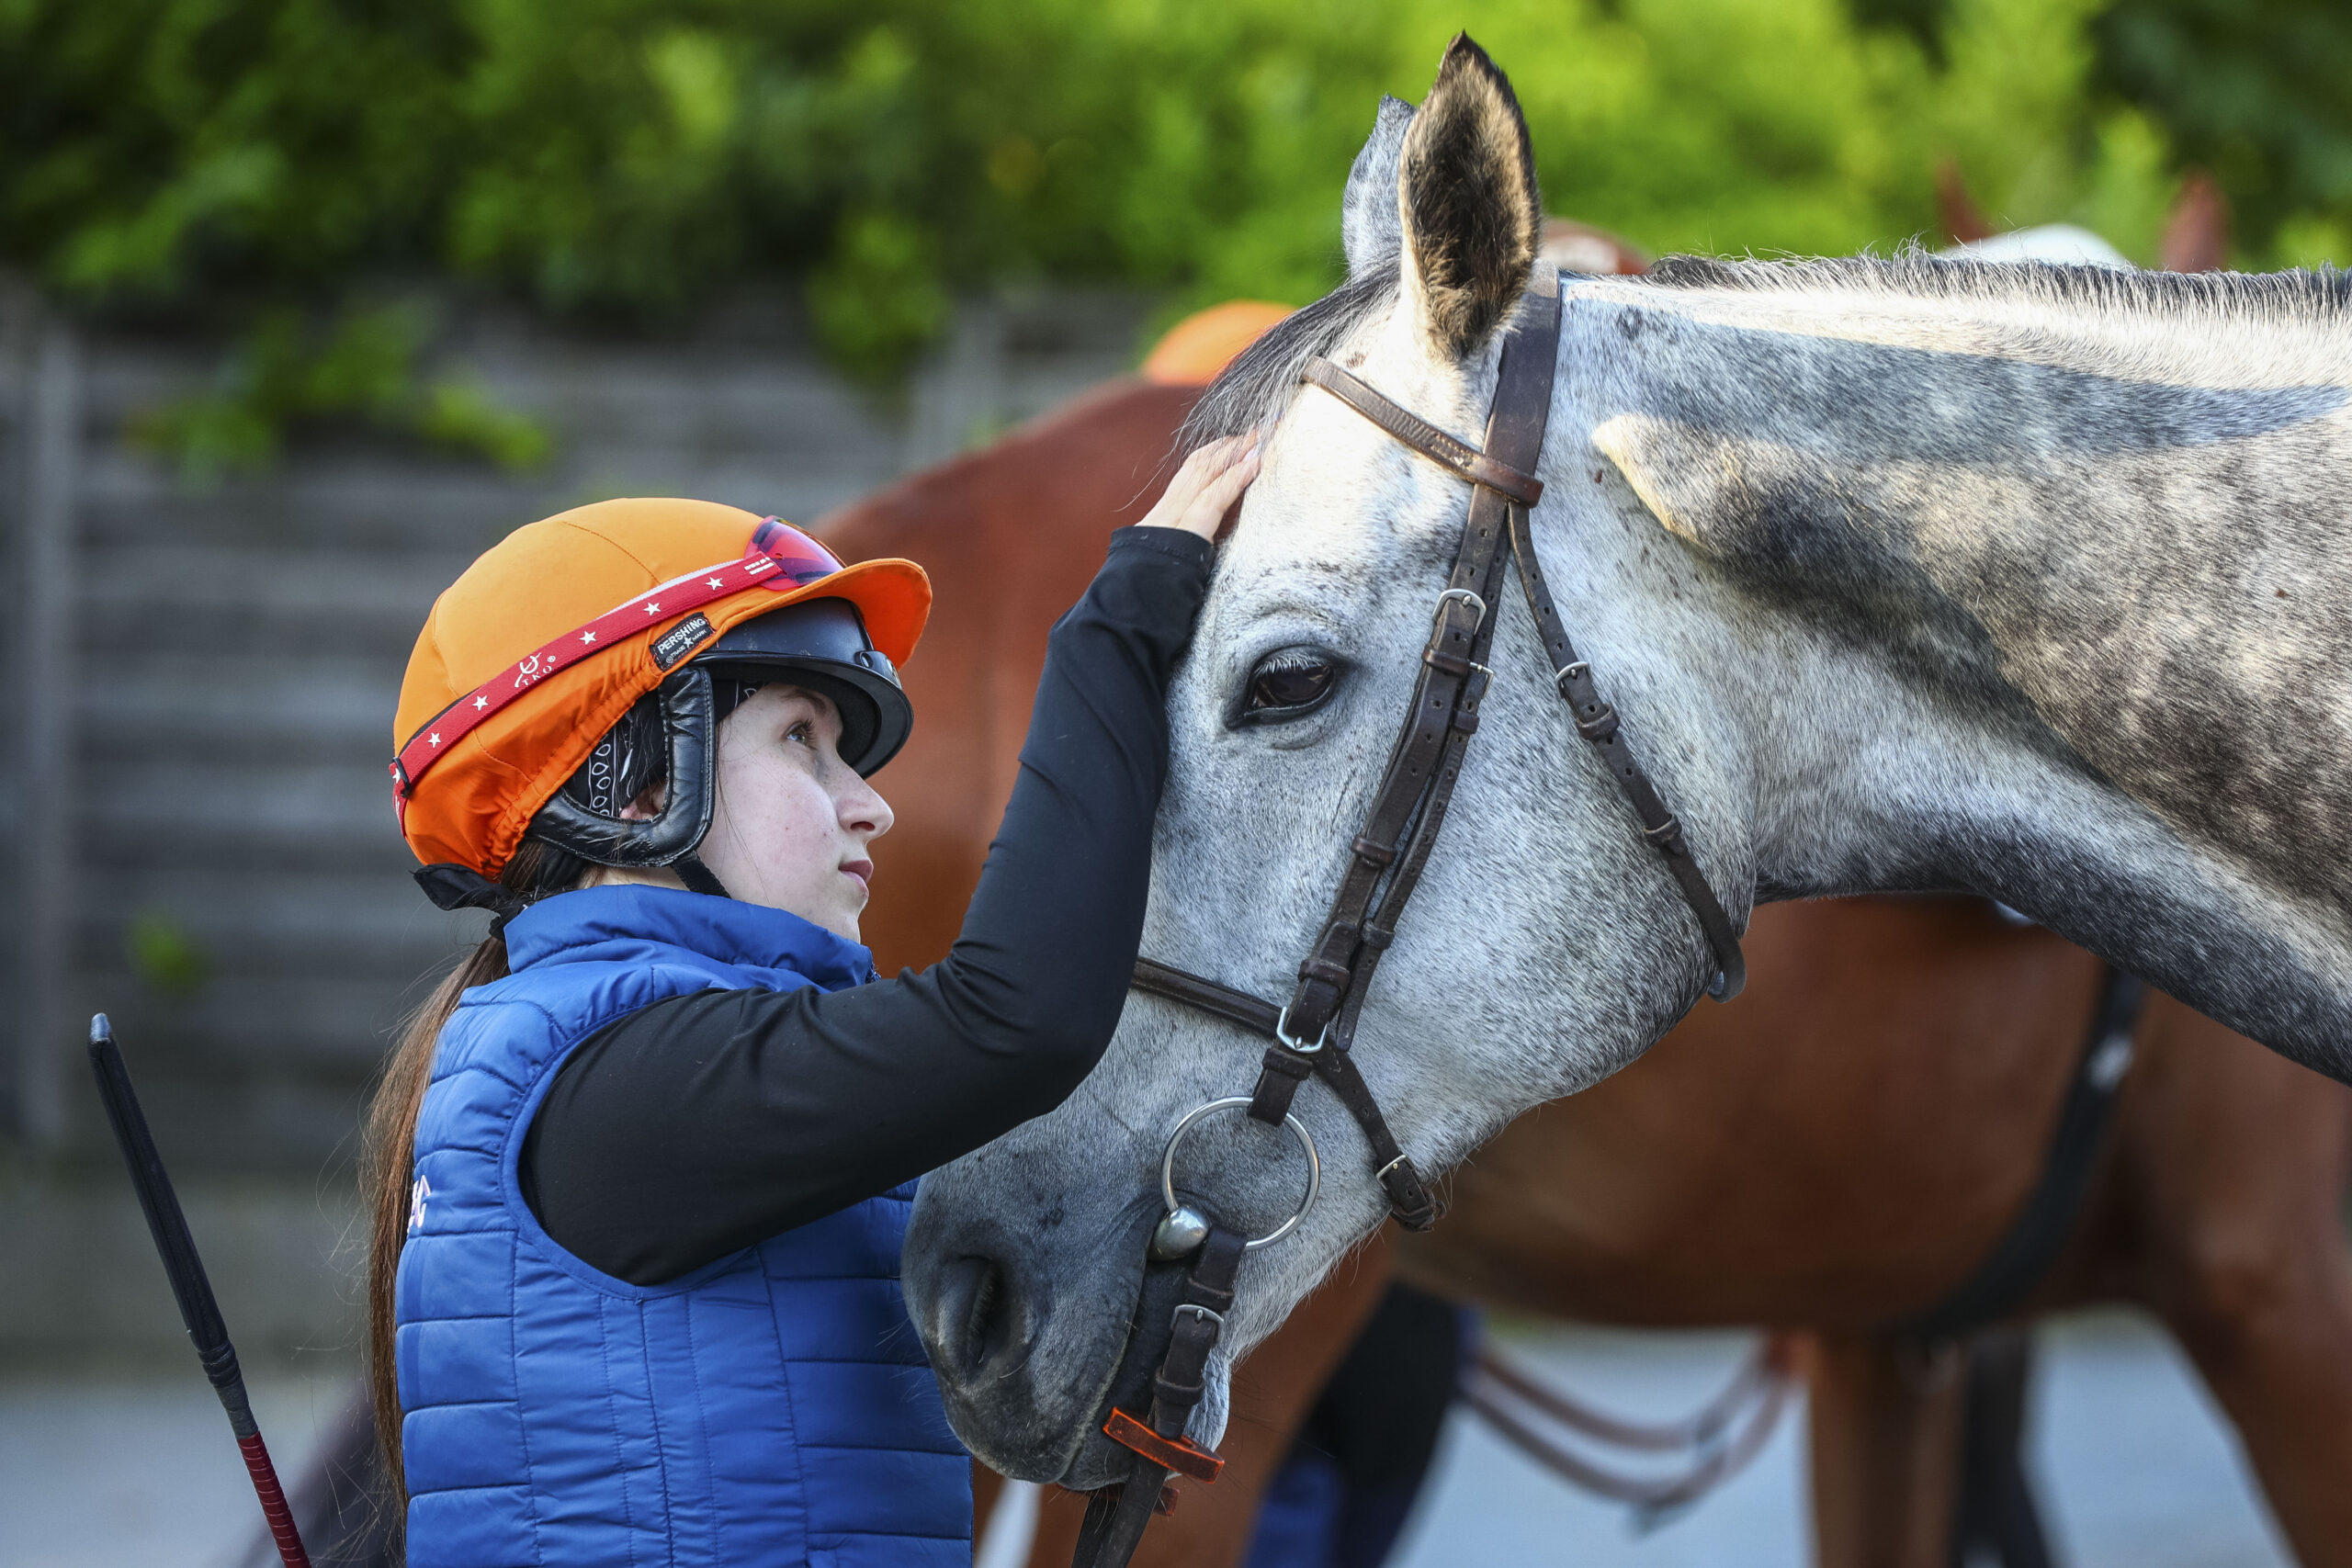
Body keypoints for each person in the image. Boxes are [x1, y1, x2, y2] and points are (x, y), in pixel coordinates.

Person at [365, 436, 1258, 1568]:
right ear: (634, 781)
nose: (868, 806)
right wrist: (1118, 628)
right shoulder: (625, 1078)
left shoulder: (623, 1055)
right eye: (803, 740)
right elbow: (1014, 1016)